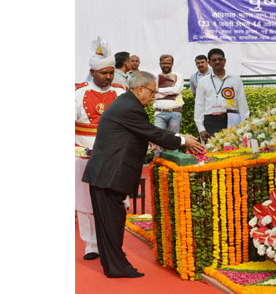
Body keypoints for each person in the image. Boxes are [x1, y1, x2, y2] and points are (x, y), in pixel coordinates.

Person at [82, 71, 204, 278]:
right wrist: (182, 140)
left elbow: (139, 133)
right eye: (153, 91)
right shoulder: (130, 107)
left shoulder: (126, 102)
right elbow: (153, 132)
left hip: (104, 173)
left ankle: (111, 263)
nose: (154, 96)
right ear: (140, 89)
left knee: (108, 222)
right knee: (112, 222)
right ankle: (117, 268)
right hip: (109, 174)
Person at [75, 36, 127, 260]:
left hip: (114, 155)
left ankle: (112, 240)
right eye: (103, 73)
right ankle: (91, 244)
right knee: (85, 200)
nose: (107, 77)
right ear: (92, 71)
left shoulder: (120, 93)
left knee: (115, 199)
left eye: (110, 73)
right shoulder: (77, 93)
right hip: (83, 154)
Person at [194, 48, 250, 142]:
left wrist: (245, 124)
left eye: (220, 59)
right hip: (210, 120)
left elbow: (242, 102)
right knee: (211, 151)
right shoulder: (203, 81)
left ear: (225, 61)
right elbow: (199, 105)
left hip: (231, 120)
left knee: (232, 150)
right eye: (214, 60)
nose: (217, 62)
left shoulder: (235, 79)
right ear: (209, 63)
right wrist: (201, 128)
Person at [152, 54, 184, 151]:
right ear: (160, 64)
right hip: (159, 112)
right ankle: (158, 163)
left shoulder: (179, 75)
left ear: (172, 64)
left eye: (168, 63)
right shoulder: (155, 78)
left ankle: (174, 164)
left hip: (175, 112)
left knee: (175, 139)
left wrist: (160, 91)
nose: (165, 65)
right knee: (157, 140)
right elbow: (154, 95)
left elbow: (177, 90)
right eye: (163, 63)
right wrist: (170, 92)